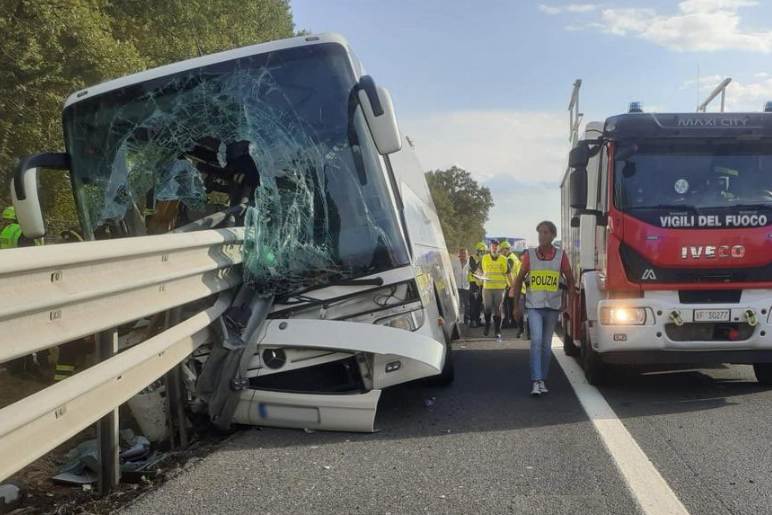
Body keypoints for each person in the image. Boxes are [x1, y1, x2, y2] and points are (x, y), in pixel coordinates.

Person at [510, 221, 575, 396]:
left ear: (553, 235)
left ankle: (542, 379)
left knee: (546, 345)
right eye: (540, 232)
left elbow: (571, 281)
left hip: (553, 307)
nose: (542, 235)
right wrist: (516, 306)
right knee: (537, 341)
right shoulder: (530, 255)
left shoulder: (561, 256)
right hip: (534, 307)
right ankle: (536, 380)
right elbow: (518, 281)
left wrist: (569, 306)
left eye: (546, 232)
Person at [480, 240, 512, 339]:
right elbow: (479, 270)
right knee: (487, 307)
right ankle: (487, 325)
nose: (494, 248)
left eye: (496, 246)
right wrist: (479, 277)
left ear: (499, 248)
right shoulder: (484, 258)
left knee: (498, 309)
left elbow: (509, 274)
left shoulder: (503, 259)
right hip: (487, 288)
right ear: (490, 247)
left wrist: (513, 287)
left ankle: (498, 330)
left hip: (499, 288)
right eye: (492, 246)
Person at [498, 241, 520, 329]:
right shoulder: (513, 257)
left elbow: (506, 272)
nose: (501, 252)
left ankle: (506, 322)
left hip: (510, 284)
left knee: (506, 304)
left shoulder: (510, 259)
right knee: (511, 304)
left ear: (506, 249)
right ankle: (514, 322)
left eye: (501, 250)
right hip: (513, 284)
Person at [468, 241, 487, 327]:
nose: (484, 253)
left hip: (482, 284)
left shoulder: (485, 259)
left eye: (485, 251)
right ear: (478, 251)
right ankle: (473, 321)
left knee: (479, 303)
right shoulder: (472, 258)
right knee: (473, 303)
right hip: (474, 284)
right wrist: (480, 261)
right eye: (483, 251)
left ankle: (478, 320)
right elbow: (475, 269)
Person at [452, 248, 471, 324]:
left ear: (467, 254)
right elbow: (451, 272)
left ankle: (466, 319)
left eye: (464, 253)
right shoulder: (455, 262)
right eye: (462, 253)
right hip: (457, 286)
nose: (463, 255)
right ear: (460, 254)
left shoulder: (470, 262)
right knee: (456, 303)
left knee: (467, 304)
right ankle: (456, 318)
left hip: (467, 286)